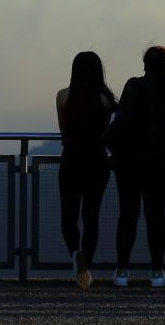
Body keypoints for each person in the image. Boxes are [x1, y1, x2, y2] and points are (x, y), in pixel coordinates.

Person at [108, 46, 165, 288]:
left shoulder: (133, 86)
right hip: (159, 159)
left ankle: (122, 271)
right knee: (156, 214)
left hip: (129, 159)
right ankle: (157, 271)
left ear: (144, 64)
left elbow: (122, 118)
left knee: (128, 214)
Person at [56, 51, 116, 290]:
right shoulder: (104, 99)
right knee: (91, 217)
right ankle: (86, 267)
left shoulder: (62, 96)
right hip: (97, 162)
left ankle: (75, 254)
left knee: (68, 217)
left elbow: (63, 130)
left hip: (70, 160)